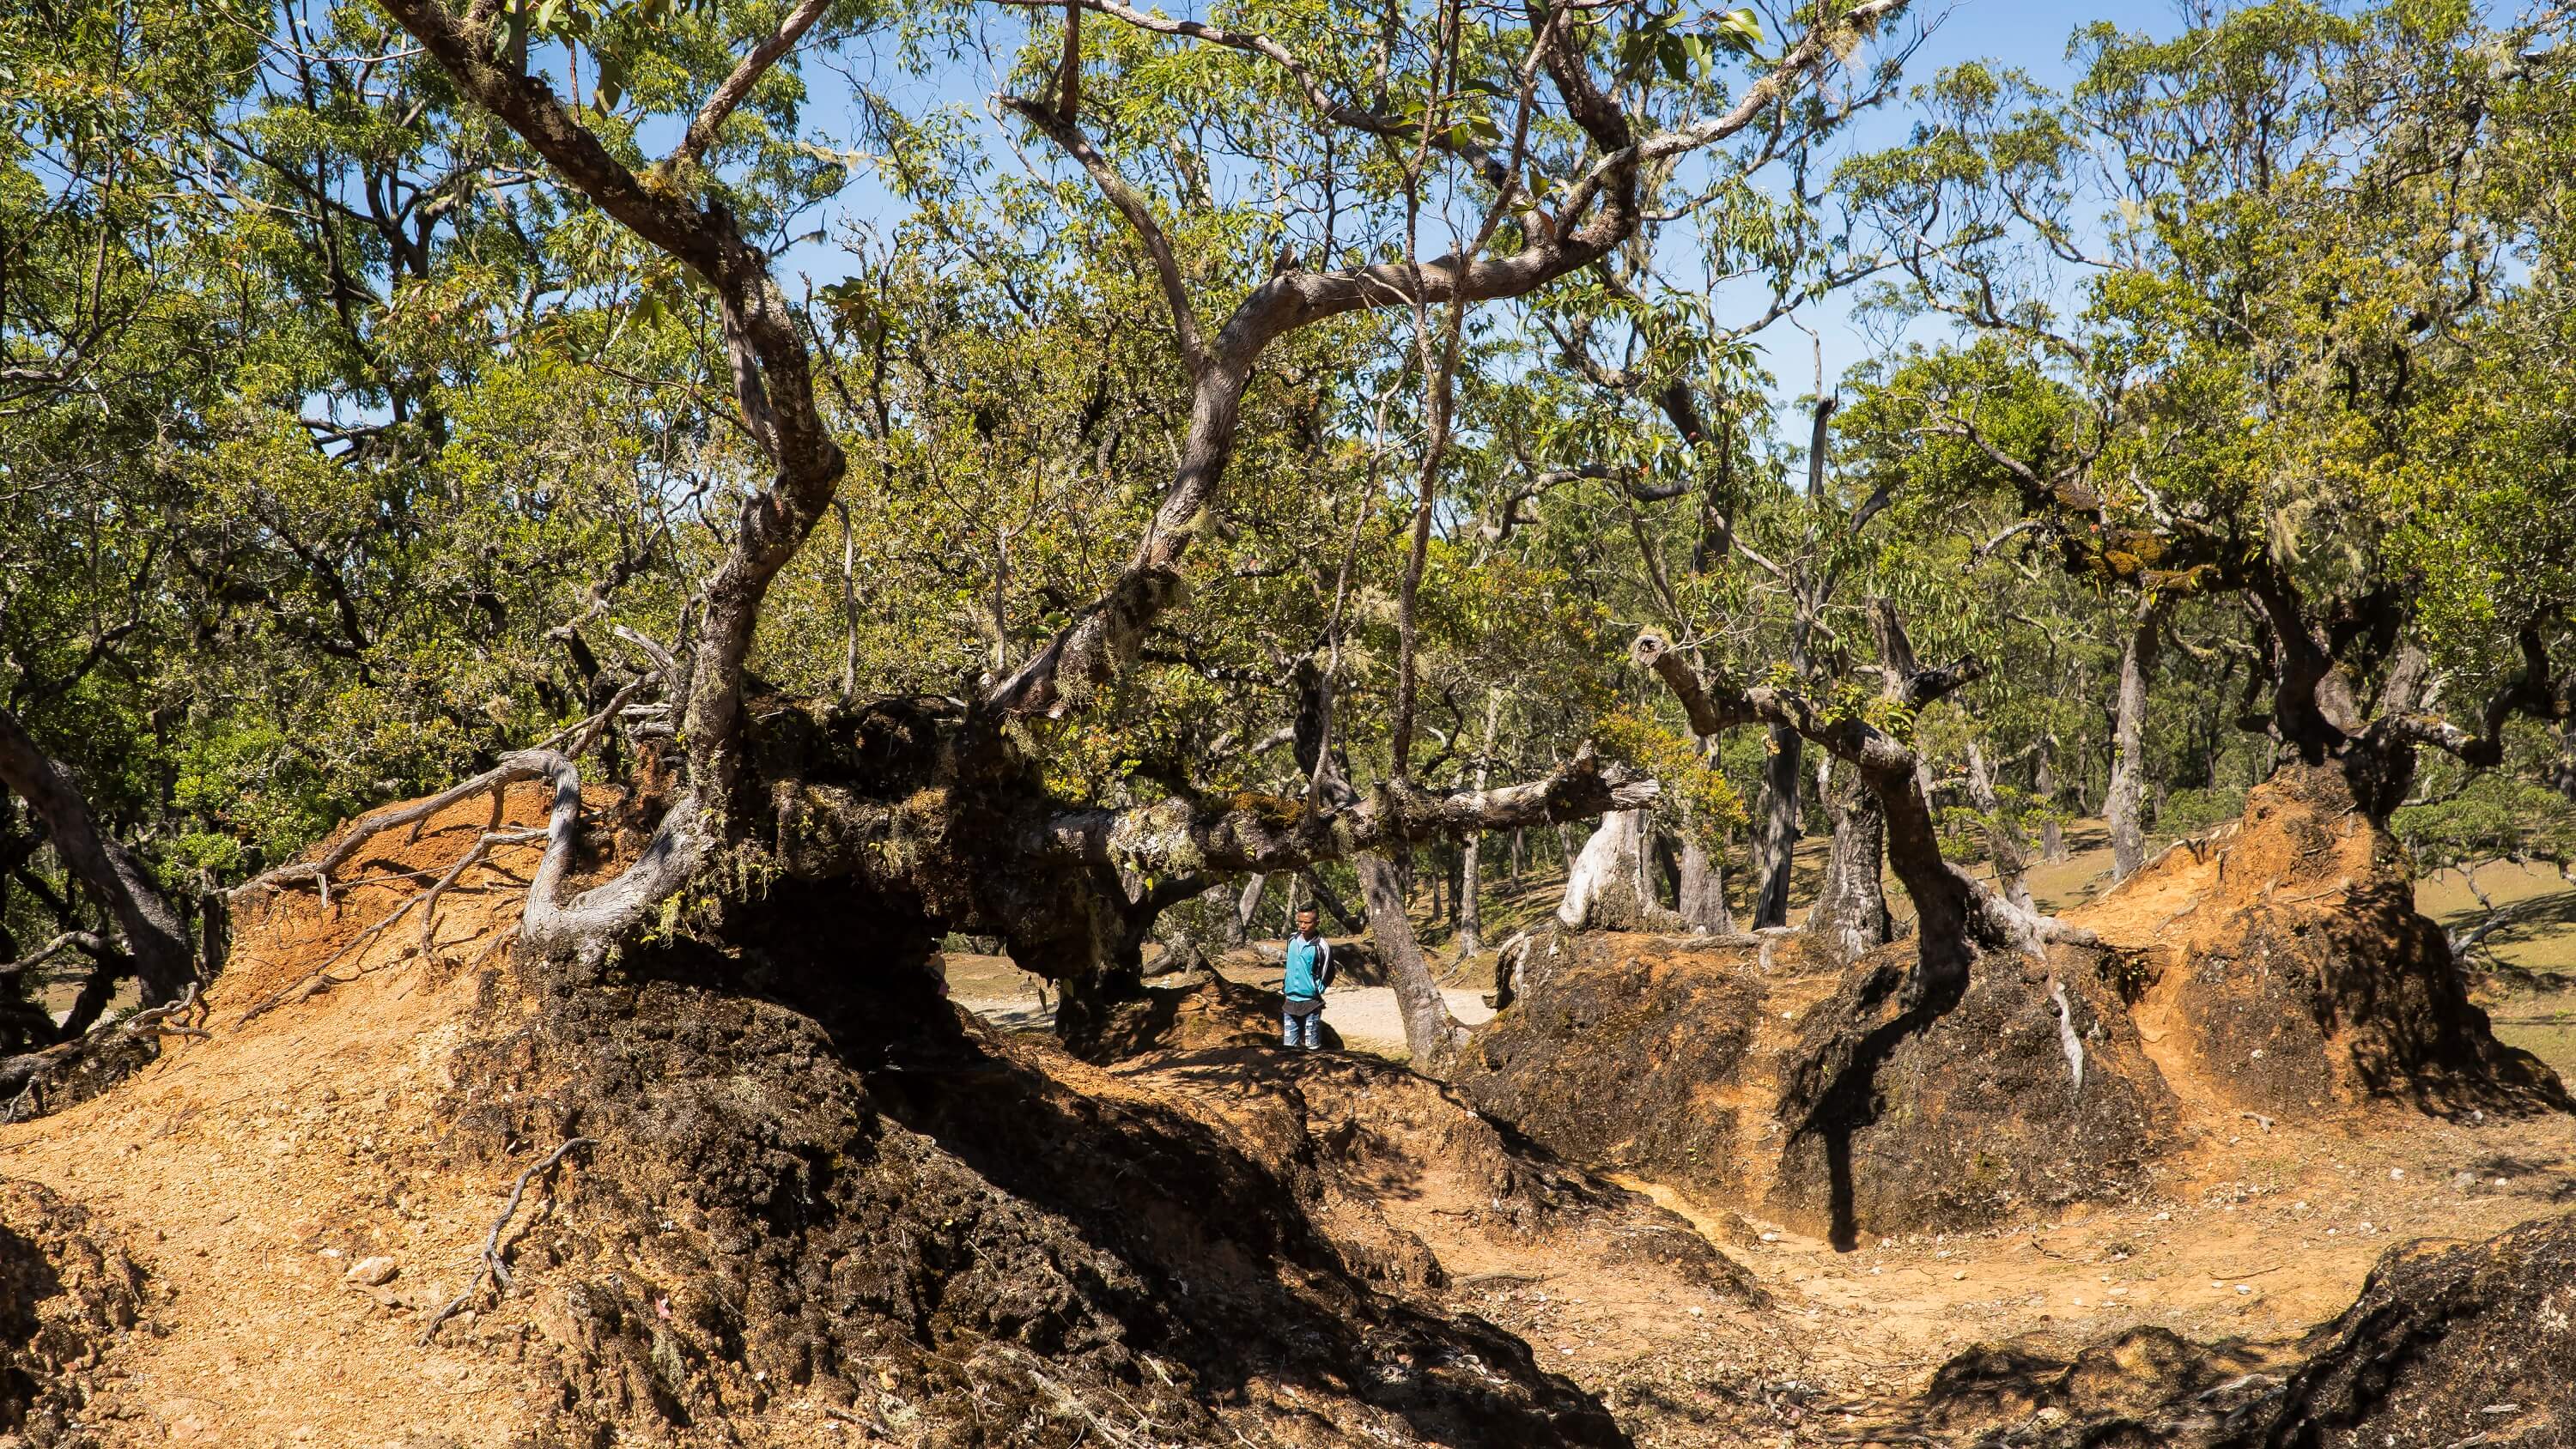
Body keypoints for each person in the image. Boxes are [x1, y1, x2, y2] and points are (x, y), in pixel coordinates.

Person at [1281, 906, 1334, 1050]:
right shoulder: (1292, 939)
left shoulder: (1322, 946)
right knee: (1289, 1048)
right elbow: (1290, 965)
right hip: (1290, 1001)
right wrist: (1286, 986)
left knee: (1312, 1048)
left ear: (1317, 922)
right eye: (1299, 922)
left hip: (1311, 1003)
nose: (1302, 926)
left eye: (1307, 922)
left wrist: (1316, 989)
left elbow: (1328, 973)